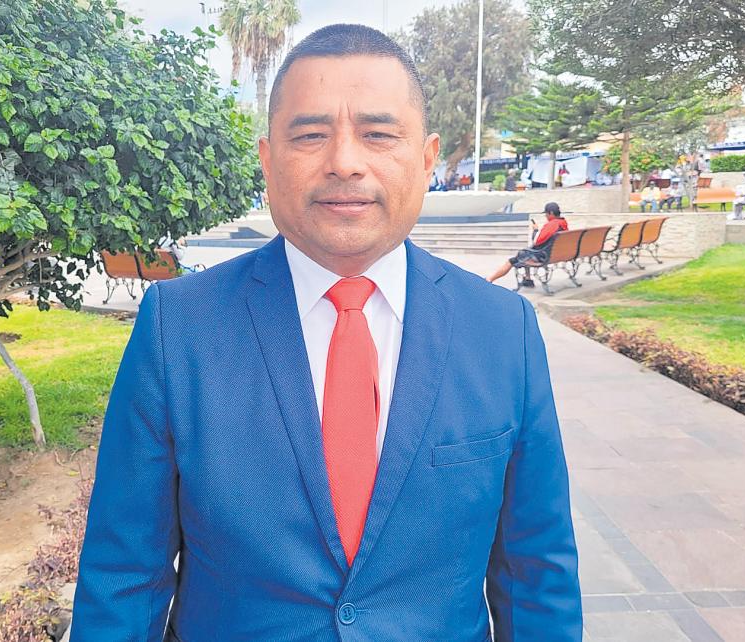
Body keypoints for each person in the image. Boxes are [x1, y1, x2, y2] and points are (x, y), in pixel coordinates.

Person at [71, 24, 581, 641]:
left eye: (378, 134)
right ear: (268, 160)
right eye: (311, 135)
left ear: (427, 158)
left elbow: (537, 575)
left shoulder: (502, 332)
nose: (344, 162)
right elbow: (124, 574)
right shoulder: (177, 327)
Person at [486, 202, 569, 287]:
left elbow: (536, 241)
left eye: (546, 214)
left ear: (551, 213)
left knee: (513, 260)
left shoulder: (552, 225)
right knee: (525, 253)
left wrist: (535, 230)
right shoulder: (563, 223)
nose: (545, 216)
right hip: (554, 254)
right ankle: (528, 279)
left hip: (542, 256)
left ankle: (490, 279)